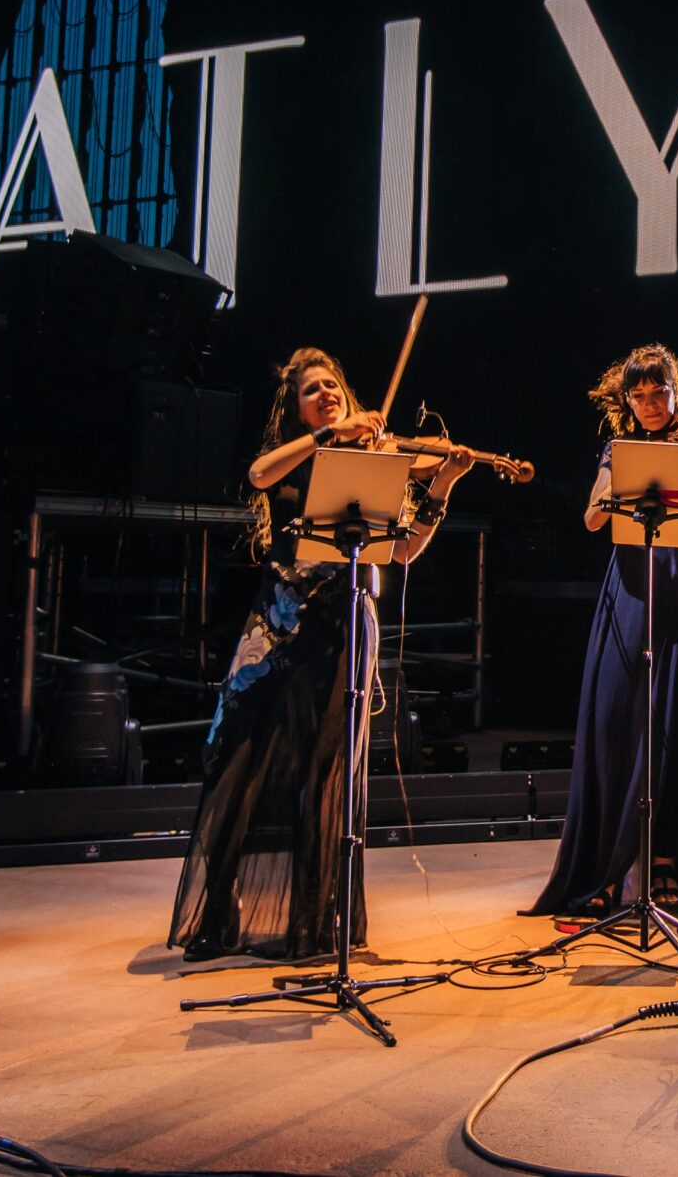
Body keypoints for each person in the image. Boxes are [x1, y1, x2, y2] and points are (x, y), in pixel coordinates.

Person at [168, 347, 472, 962]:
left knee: (323, 771)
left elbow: (403, 550)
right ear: (297, 408)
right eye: (313, 390)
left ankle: (312, 921)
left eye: (332, 385)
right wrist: (330, 435)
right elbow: (258, 474)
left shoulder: (373, 461)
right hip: (275, 629)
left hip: (340, 625)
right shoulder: (295, 458)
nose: (326, 394)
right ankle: (220, 914)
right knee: (236, 759)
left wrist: (442, 482)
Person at [526, 344, 678, 920]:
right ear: (627, 400)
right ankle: (609, 863)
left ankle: (664, 862)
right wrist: (622, 490)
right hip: (631, 593)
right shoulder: (620, 451)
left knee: (676, 729)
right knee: (619, 725)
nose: (651, 404)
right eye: (638, 396)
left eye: (659, 392)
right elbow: (591, 518)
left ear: (676, 390)